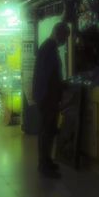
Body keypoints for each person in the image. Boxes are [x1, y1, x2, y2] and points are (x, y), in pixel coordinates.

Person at [32, 21, 70, 177]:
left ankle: (46, 161)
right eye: (64, 37)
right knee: (46, 131)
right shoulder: (49, 48)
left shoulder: (48, 47)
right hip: (47, 97)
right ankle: (43, 165)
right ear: (57, 33)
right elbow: (48, 76)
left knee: (49, 130)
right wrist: (61, 86)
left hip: (48, 96)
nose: (64, 41)